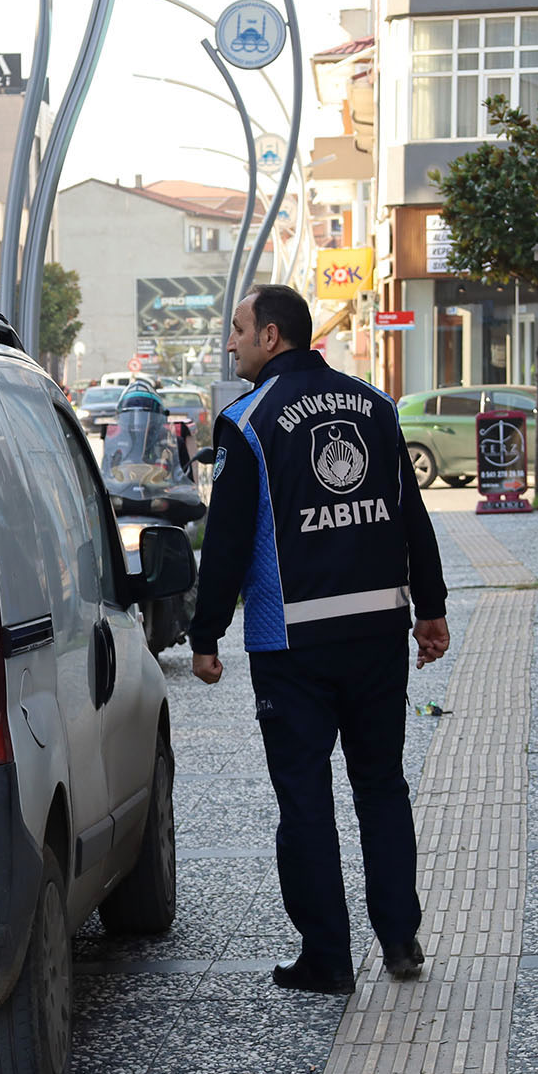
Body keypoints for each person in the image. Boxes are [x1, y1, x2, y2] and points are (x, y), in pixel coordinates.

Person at [188, 285, 449, 995]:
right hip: (376, 634)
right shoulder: (376, 406)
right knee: (381, 785)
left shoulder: (246, 421)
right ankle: (399, 936)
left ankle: (328, 958)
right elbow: (410, 518)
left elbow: (228, 541)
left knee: (305, 799)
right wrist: (431, 607)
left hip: (291, 643)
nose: (232, 342)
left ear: (273, 335)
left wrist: (205, 631)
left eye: (239, 329)